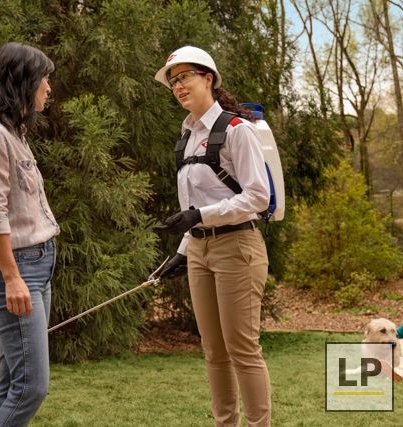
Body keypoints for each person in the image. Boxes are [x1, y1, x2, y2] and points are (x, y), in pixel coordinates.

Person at [153, 46, 272, 426]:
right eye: (173, 81)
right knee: (214, 351)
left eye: (185, 76)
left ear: (208, 78)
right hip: (200, 250)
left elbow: (258, 196)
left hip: (238, 247)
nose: (178, 86)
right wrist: (183, 250)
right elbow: (196, 203)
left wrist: (199, 216)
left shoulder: (237, 130)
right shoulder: (186, 136)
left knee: (242, 349)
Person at [0, 42, 59, 426]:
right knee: (31, 387)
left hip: (34, 268)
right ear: (23, 81)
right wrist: (12, 277)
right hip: (16, 271)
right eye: (44, 79)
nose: (48, 88)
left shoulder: (13, 133)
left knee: (12, 383)